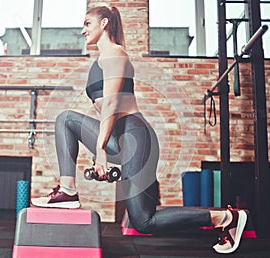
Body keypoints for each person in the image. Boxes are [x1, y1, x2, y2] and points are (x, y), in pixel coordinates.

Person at [31, 6, 247, 254]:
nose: (83, 30)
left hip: (136, 137)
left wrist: (100, 149)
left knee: (144, 220)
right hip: (118, 137)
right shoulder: (100, 60)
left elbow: (112, 103)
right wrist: (100, 145)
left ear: (104, 23)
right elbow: (104, 112)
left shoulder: (116, 53)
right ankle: (67, 190)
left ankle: (225, 218)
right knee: (66, 120)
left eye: (87, 23)